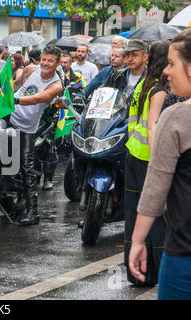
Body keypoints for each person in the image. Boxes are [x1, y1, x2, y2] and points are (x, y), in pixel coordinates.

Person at [129, 29, 191, 300]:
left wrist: (137, 241)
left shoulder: (176, 117)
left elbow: (156, 187)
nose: (166, 71)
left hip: (183, 256)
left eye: (172, 63)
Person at [124, 40, 169, 287]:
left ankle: (137, 273)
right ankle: (155, 273)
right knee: (156, 219)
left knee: (136, 217)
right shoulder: (159, 89)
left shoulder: (143, 83)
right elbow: (152, 126)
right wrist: (158, 163)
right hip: (148, 160)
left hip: (133, 156)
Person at [9, 45, 63, 226]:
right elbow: (21, 88)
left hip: (26, 126)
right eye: (44, 59)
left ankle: (33, 212)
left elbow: (38, 98)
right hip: (9, 115)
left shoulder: (56, 85)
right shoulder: (33, 71)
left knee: (27, 166)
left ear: (57, 63)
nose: (45, 63)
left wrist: (14, 99)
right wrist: (0, 95)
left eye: (50, 61)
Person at [105, 39, 148, 104]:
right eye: (127, 55)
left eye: (134, 55)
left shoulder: (150, 78)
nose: (130, 59)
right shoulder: (117, 76)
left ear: (145, 57)